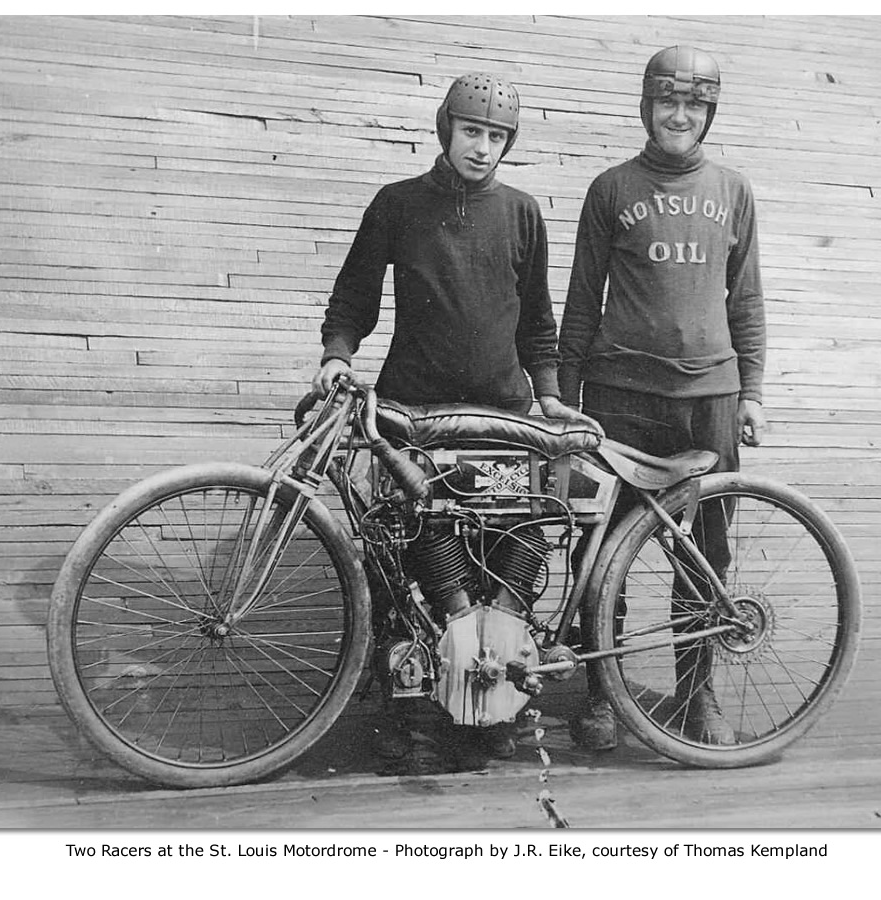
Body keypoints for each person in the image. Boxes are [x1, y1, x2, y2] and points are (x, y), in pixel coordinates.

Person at [312, 73, 592, 773]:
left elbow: (538, 322)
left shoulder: (524, 213)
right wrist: (337, 356)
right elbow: (353, 297)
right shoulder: (397, 205)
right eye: (472, 132)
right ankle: (414, 721)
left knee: (505, 565)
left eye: (496, 137)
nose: (482, 148)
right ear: (447, 130)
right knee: (409, 561)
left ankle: (497, 716)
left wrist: (550, 394)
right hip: (414, 415)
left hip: (503, 417)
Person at [558, 45, 767, 748]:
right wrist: (565, 399)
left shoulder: (733, 191)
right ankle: (599, 697)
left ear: (708, 113)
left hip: (710, 398)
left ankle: (695, 697)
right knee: (601, 551)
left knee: (704, 555)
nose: (679, 116)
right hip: (619, 397)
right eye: (667, 102)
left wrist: (753, 391)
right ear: (646, 107)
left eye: (694, 105)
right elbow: (581, 304)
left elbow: (748, 301)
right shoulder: (611, 189)